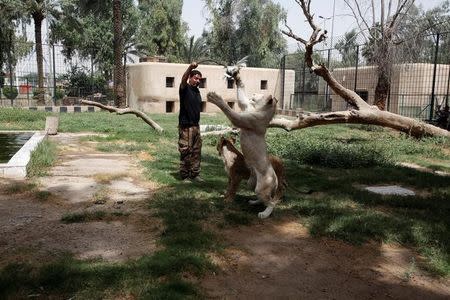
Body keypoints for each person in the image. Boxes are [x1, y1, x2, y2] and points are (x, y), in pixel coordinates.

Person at [178, 62, 204, 182]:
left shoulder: (197, 91)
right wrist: (190, 67)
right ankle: (185, 175)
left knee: (196, 151)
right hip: (186, 126)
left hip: (195, 126)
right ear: (190, 78)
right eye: (196, 78)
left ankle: (195, 174)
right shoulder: (185, 88)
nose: (198, 81)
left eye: (200, 79)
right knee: (186, 151)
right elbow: (183, 79)